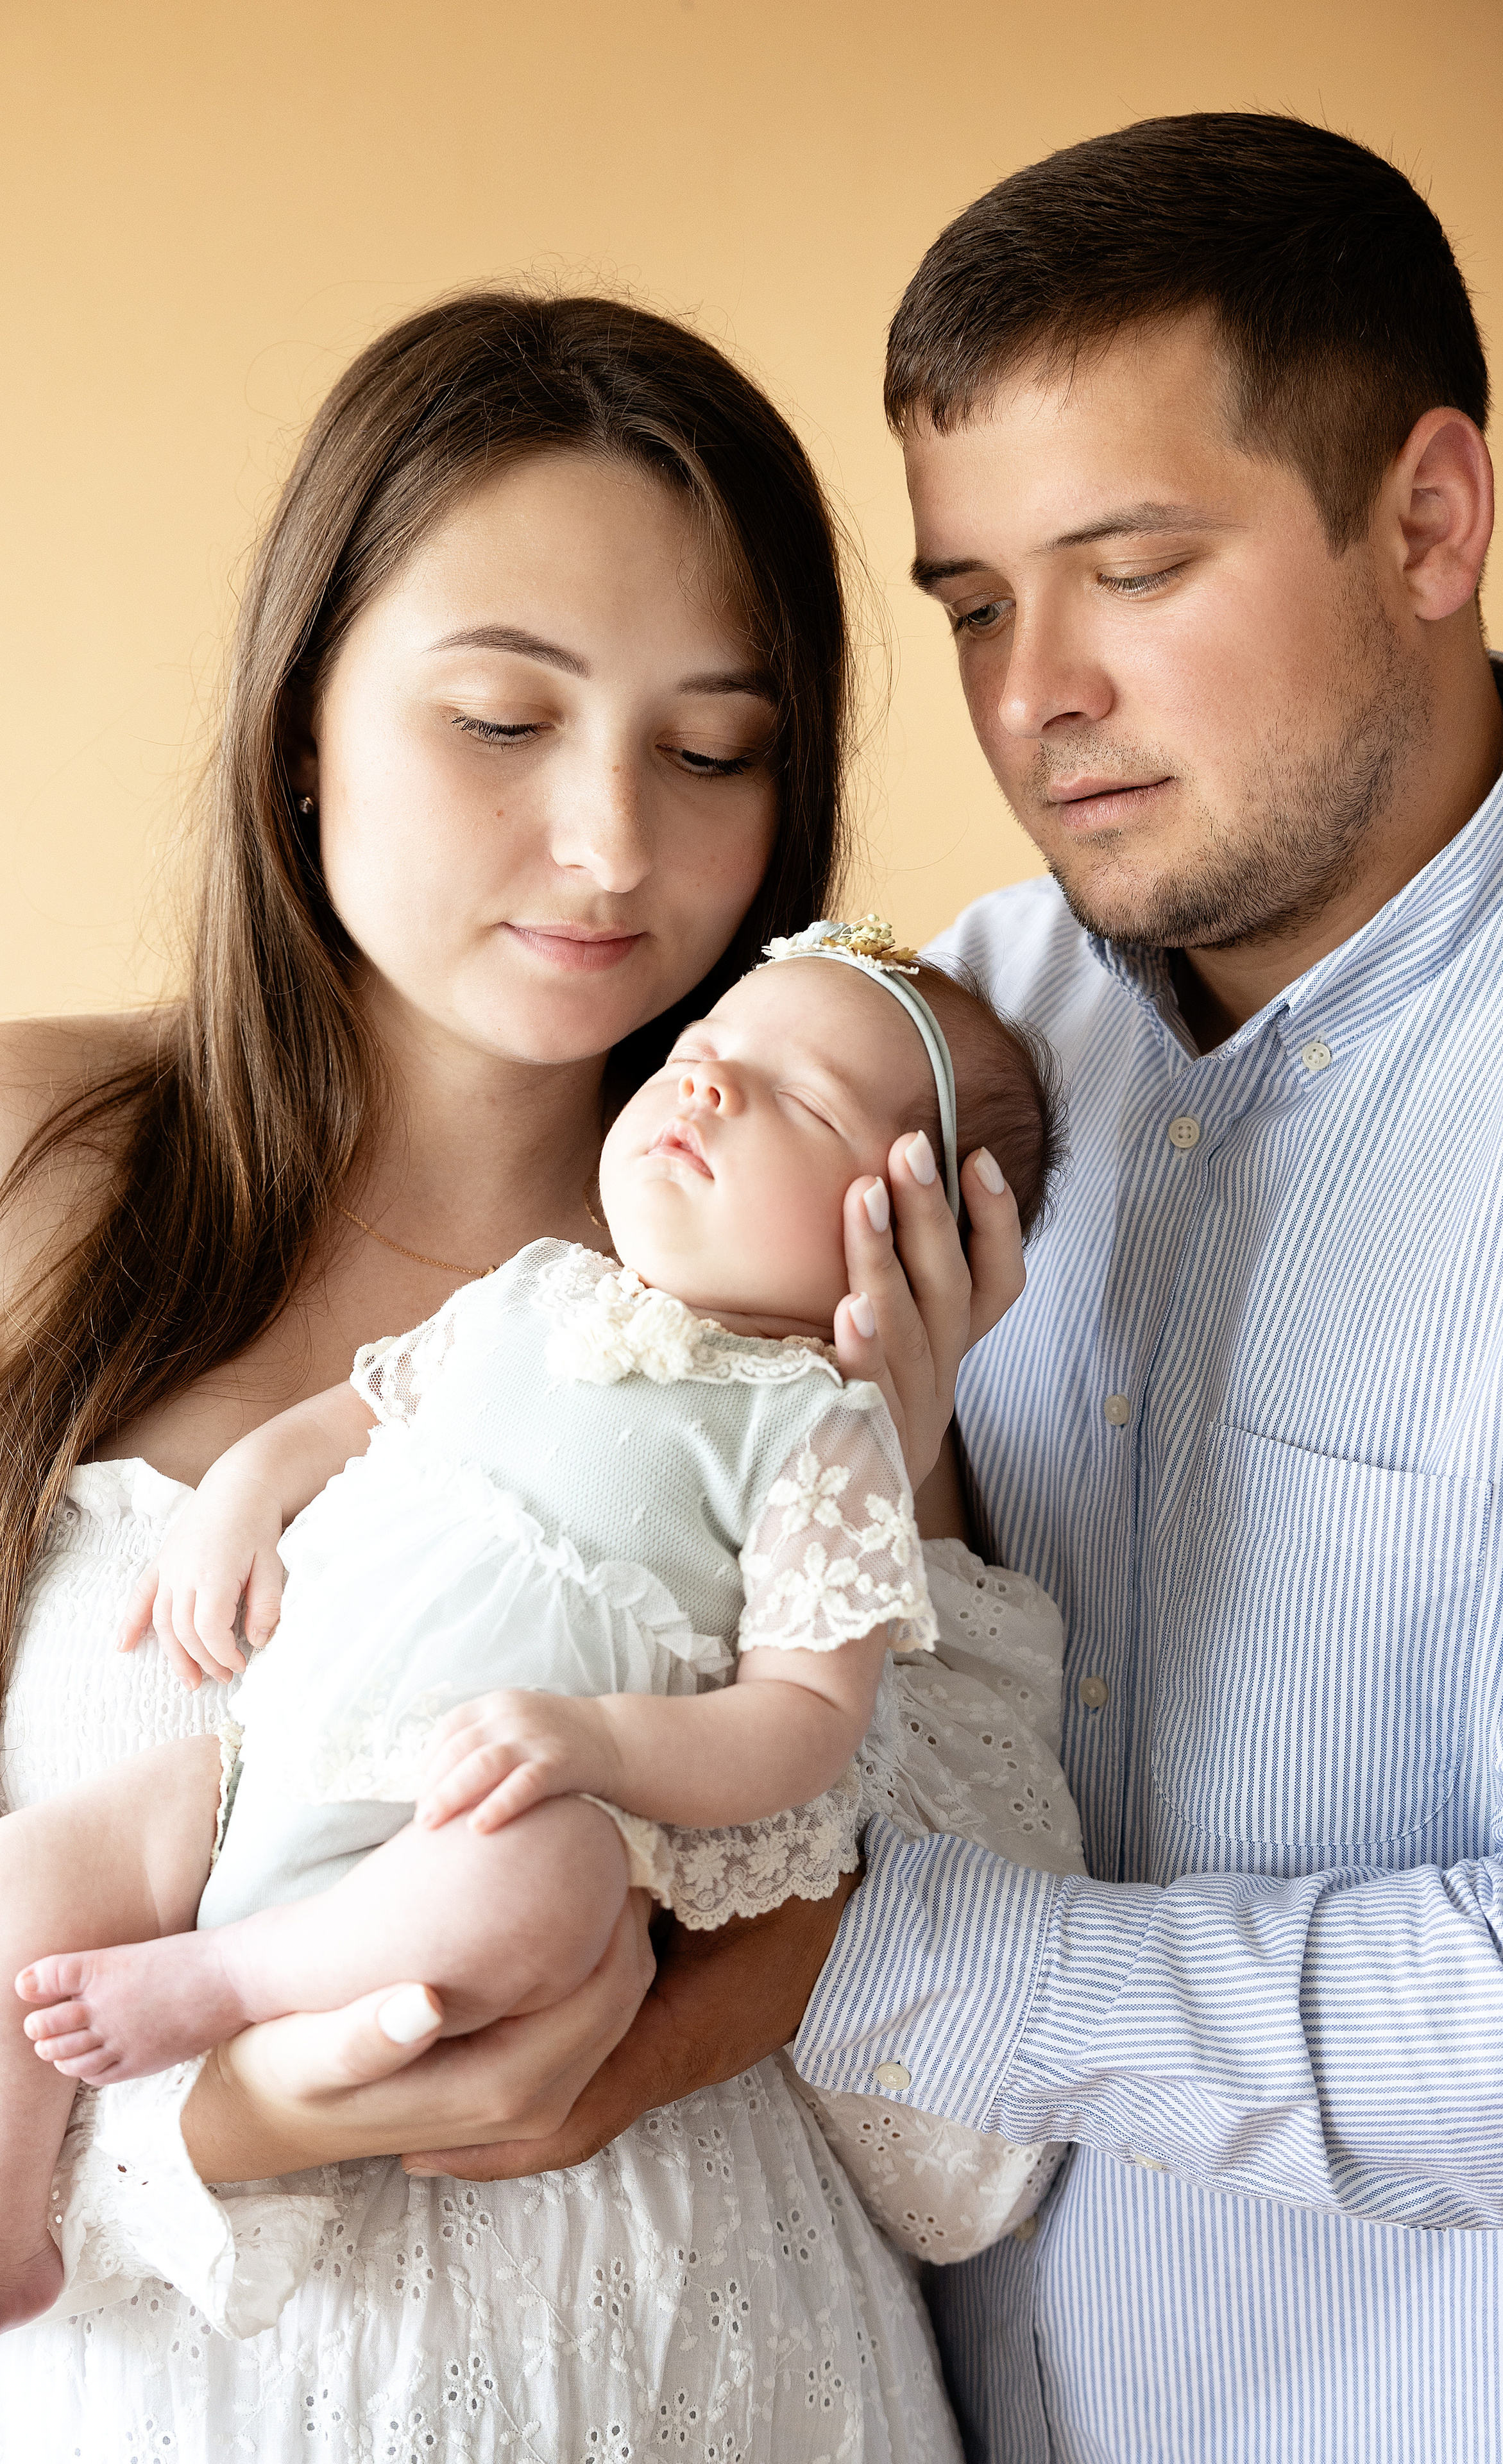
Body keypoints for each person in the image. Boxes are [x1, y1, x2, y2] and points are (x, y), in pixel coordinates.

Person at [0, 292, 1082, 2456]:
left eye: (710, 753)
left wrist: (901, 1459)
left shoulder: (834, 1299)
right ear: (303, 720)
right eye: (502, 718)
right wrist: (229, 2125)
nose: (612, 846)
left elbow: (969, 2159)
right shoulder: (46, 1175)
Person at [786, 113, 1503, 2461]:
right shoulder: (922, 1042)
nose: (1031, 696)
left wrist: (850, 1960)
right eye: (973, 605)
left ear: (1431, 521)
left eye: (1132, 569)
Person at [1, 928, 1062, 2338]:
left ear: (905, 1228)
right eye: (701, 1057)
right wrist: (246, 1491)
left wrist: (597, 1741)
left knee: (552, 1886)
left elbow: (804, 1723)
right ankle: (15, 2203)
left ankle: (227, 1978)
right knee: (40, 1867)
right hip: (270, 1768)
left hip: (476, 1824)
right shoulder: (535, 1291)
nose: (705, 1093)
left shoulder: (817, 1438)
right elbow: (368, 1410)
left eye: (796, 1101)